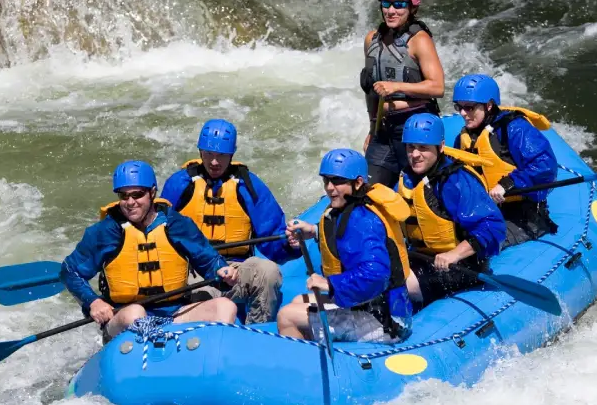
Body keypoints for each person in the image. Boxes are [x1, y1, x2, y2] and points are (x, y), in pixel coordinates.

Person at [60, 160, 239, 340]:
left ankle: (214, 354)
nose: (130, 202)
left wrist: (221, 270)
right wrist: (93, 302)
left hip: (175, 313)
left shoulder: (177, 224)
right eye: (123, 196)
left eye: (137, 195)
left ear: (152, 193)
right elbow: (70, 271)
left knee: (225, 306)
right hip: (125, 316)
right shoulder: (105, 232)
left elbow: (208, 260)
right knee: (136, 313)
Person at [159, 119, 300, 324]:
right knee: (200, 295)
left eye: (222, 156)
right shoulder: (179, 184)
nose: (214, 162)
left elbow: (271, 234)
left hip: (236, 269)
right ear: (200, 152)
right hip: (194, 270)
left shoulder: (248, 185)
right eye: (209, 154)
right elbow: (159, 233)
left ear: (232, 154)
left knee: (268, 272)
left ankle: (257, 330)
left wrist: (290, 244)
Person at [277, 149, 413, 344]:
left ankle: (303, 362)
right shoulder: (352, 207)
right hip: (366, 305)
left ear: (357, 182)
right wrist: (314, 231)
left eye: (337, 181)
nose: (329, 188)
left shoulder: (364, 220)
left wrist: (330, 284)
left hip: (385, 320)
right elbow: (346, 238)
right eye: (326, 181)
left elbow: (376, 274)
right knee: (299, 301)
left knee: (287, 316)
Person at [399, 113, 506, 305]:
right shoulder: (407, 178)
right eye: (410, 147)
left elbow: (492, 227)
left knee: (401, 285)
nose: (415, 154)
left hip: (462, 266)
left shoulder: (456, 182)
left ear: (440, 147)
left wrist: (454, 255)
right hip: (421, 257)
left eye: (423, 148)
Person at [452, 73, 559, 246]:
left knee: (475, 247)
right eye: (459, 107)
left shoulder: (515, 128)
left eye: (469, 107)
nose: (463, 113)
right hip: (484, 212)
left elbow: (545, 166)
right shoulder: (464, 138)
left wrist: (507, 184)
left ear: (489, 105)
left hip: (521, 216)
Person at [360, 0, 445, 189]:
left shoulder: (419, 41)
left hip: (416, 127)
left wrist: (397, 86)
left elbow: (437, 86)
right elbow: (371, 90)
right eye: (386, 4)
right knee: (369, 192)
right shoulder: (371, 40)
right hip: (383, 130)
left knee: (420, 193)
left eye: (399, 5)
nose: (391, 10)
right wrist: (372, 128)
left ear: (412, 8)